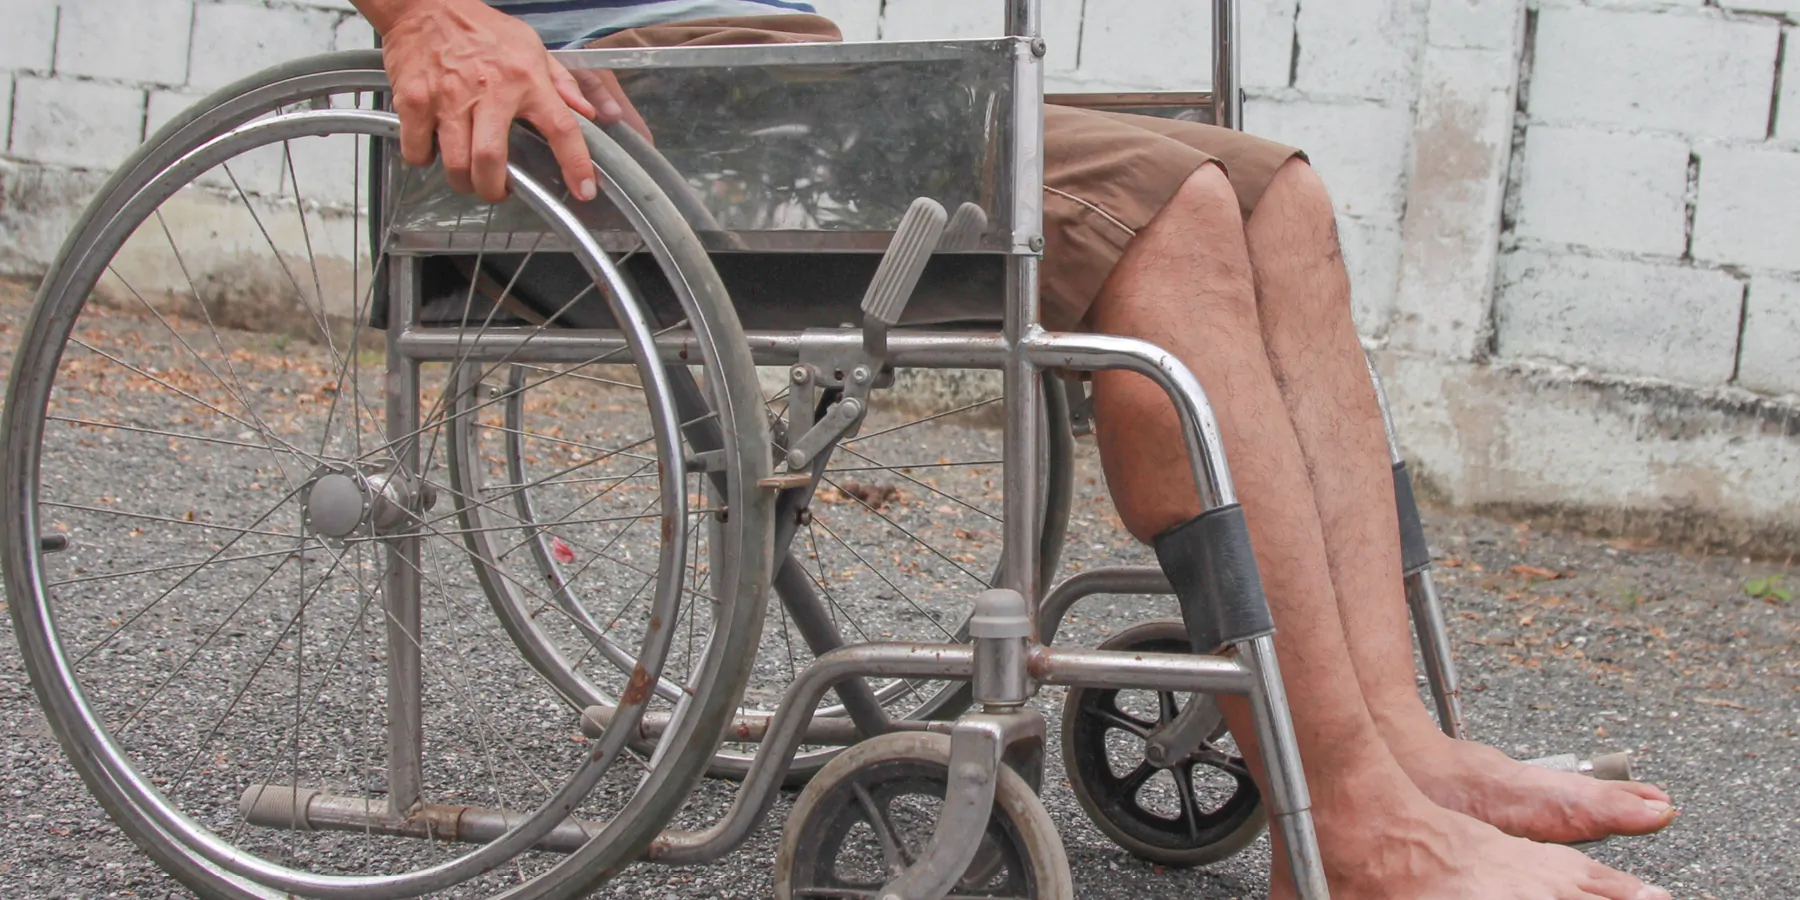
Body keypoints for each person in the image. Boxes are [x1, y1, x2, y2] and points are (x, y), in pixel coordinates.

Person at [348, 0, 1680, 895]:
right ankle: (1345, 819)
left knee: (1282, 195)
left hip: (774, 69)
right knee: (1178, 220)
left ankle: (1396, 749)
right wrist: (417, 16)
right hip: (601, 104)